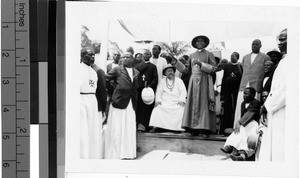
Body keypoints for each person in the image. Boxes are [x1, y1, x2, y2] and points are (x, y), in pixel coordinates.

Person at [104, 52, 140, 159]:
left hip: (130, 103)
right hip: (119, 102)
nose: (124, 59)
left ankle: (127, 153)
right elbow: (106, 79)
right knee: (117, 127)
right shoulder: (117, 69)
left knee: (128, 126)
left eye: (127, 57)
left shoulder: (136, 72)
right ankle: (116, 153)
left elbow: (137, 86)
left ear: (132, 59)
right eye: (123, 57)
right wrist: (113, 90)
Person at [259, 29, 287, 161]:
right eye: (279, 40)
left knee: (281, 145)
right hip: (276, 108)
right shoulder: (285, 60)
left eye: (283, 40)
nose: (279, 43)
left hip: (283, 110)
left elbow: (285, 91)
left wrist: (267, 106)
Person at [181, 35, 217, 137]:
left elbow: (214, 69)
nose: (200, 42)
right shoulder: (191, 55)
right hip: (193, 81)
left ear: (205, 43)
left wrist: (201, 64)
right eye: (198, 41)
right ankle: (192, 128)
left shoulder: (209, 54)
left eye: (201, 41)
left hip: (204, 80)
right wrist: (175, 63)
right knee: (192, 103)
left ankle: (204, 129)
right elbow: (186, 70)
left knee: (204, 103)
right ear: (195, 44)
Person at [233, 39, 270, 129]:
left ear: (260, 46)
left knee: (253, 107)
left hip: (256, 85)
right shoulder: (245, 57)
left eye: (257, 44)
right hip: (244, 84)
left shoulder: (265, 57)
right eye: (253, 44)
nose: (254, 46)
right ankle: (238, 126)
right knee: (241, 105)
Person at [221, 87, 261, 161]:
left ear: (252, 95)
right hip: (244, 124)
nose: (244, 95)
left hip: (253, 123)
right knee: (239, 131)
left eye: (246, 93)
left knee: (246, 133)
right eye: (244, 93)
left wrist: (239, 122)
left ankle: (237, 151)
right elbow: (242, 116)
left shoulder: (256, 103)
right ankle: (231, 147)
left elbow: (249, 114)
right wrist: (240, 124)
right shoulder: (243, 103)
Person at [80, 47, 103, 159]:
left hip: (92, 100)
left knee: (93, 129)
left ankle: (92, 155)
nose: (93, 57)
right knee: (83, 129)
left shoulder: (94, 72)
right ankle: (83, 155)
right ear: (82, 56)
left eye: (94, 55)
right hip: (81, 99)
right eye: (90, 55)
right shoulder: (78, 70)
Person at [149, 64, 187, 132]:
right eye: (168, 71)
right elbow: (158, 92)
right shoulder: (162, 81)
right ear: (165, 73)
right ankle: (157, 127)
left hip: (176, 101)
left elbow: (183, 91)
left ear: (174, 72)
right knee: (158, 108)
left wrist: (181, 100)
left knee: (181, 108)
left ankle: (178, 128)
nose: (170, 72)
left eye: (171, 71)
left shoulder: (179, 80)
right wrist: (158, 100)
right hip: (165, 101)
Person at [135, 49, 158, 132]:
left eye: (148, 54)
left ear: (150, 55)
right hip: (140, 90)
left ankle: (147, 126)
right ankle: (140, 126)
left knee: (148, 109)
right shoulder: (137, 66)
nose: (146, 56)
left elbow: (155, 78)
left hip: (149, 91)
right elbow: (135, 77)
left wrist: (149, 86)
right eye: (144, 54)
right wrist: (141, 85)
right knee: (140, 109)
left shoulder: (153, 66)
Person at [220, 52, 243, 134]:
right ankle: (226, 128)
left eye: (233, 56)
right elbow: (224, 79)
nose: (232, 57)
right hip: (228, 91)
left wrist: (235, 78)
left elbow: (241, 78)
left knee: (235, 108)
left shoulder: (240, 66)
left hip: (236, 91)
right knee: (227, 109)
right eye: (231, 56)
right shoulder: (228, 66)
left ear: (237, 57)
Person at [106, 50, 121, 116]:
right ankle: (107, 117)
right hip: (110, 88)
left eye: (118, 55)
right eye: (115, 55)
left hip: (118, 87)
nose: (116, 56)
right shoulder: (108, 66)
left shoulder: (122, 66)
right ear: (112, 55)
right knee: (109, 101)